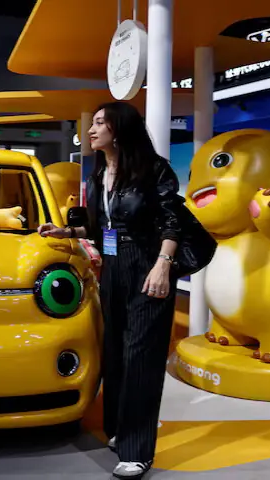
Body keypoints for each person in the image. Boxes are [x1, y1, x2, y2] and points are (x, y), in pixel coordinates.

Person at [38, 102, 182, 478]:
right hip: (113, 268)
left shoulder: (154, 169)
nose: (91, 129)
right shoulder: (99, 172)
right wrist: (67, 232)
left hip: (149, 266)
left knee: (141, 359)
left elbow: (172, 223)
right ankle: (119, 429)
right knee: (114, 351)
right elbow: (105, 228)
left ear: (119, 129)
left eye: (100, 123)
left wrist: (163, 266)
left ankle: (138, 450)